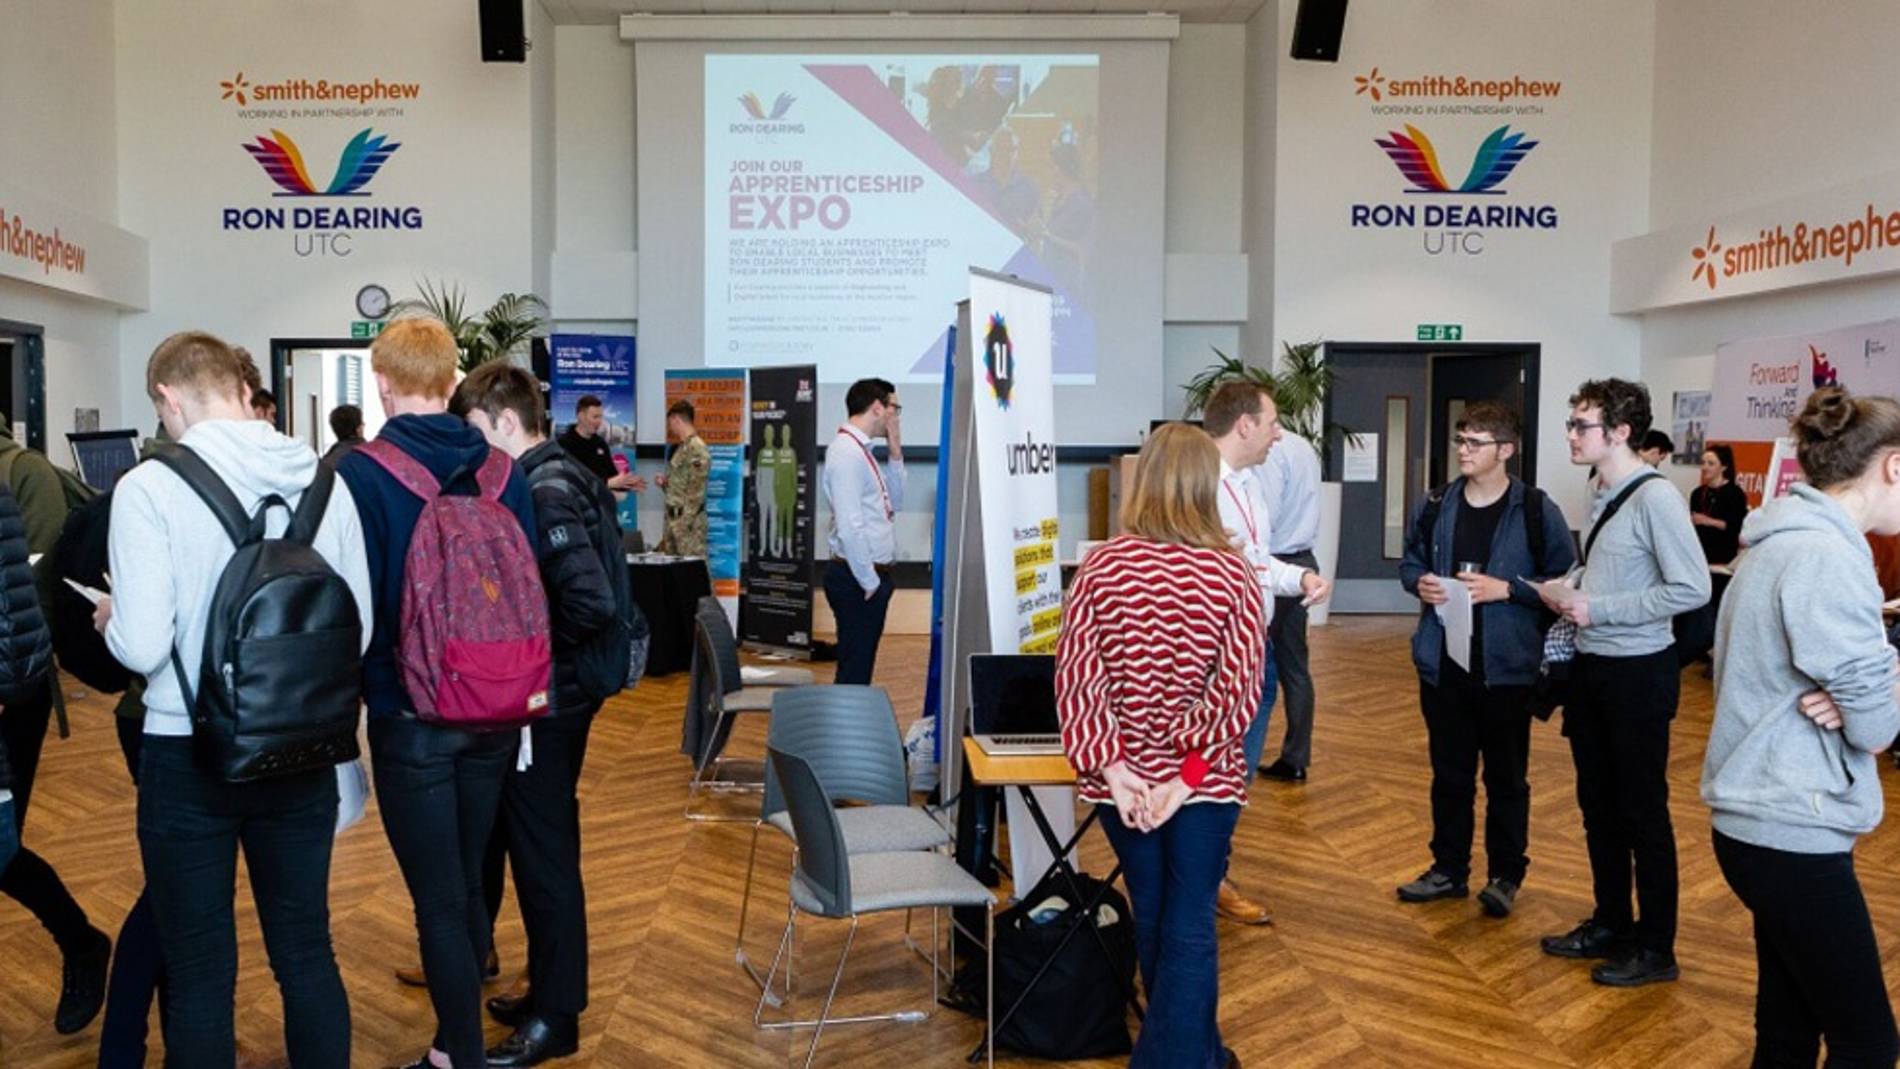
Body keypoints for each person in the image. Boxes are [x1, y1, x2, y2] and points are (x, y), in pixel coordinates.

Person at [99, 330, 372, 1067]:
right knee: (307, 951)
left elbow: (144, 645)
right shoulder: (324, 480)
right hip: (305, 749)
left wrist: (112, 619)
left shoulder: (148, 488)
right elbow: (362, 627)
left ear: (168, 396)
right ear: (240, 388)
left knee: (200, 973)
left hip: (186, 753)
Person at [334, 319, 540, 1069]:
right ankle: (459, 1040)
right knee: (465, 876)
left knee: (438, 899)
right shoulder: (502, 471)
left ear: (382, 382)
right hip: (494, 708)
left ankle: (458, 1054)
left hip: (408, 712)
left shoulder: (361, 474)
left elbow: (349, 607)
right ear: (453, 382)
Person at [1702, 386, 1900, 1066]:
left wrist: (1861, 690)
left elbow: (1863, 699)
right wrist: (1865, 696)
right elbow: (1879, 726)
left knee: (1788, 1031)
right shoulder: (1826, 557)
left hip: (1764, 817)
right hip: (1790, 825)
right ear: (1893, 467)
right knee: (1868, 1042)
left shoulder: (1782, 539)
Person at [1057, 422, 1264, 1069]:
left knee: (1155, 915)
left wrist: (1116, 770)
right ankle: (1187, 1059)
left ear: (1144, 478)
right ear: (1206, 485)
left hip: (1129, 785)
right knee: (1191, 921)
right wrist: (1186, 775)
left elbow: (1076, 674)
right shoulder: (1234, 576)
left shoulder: (1100, 567)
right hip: (1201, 782)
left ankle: (1197, 1055)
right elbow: (1237, 691)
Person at [452, 364, 620, 1068]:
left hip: (551, 705)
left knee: (546, 859)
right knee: (536, 850)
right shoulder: (558, 473)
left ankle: (558, 1017)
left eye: (476, 433)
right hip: (556, 700)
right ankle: (548, 990)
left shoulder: (544, 486)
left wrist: (527, 647)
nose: (473, 448)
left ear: (503, 421)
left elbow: (591, 602)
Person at [1535, 378, 1709, 987]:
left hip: (1638, 672)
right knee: (1596, 806)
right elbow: (1613, 566)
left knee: (1642, 812)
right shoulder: (1600, 488)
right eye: (1572, 423)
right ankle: (1611, 920)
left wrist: (1597, 609)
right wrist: (1571, 584)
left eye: (1581, 426)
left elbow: (1693, 588)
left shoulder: (1656, 498)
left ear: (1621, 432)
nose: (1571, 436)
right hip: (1593, 666)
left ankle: (1656, 947)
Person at [1397, 402, 1576, 917]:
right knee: (1448, 775)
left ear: (1506, 450)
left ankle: (1505, 874)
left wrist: (1509, 589)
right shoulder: (1434, 504)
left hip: (1508, 670)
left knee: (1506, 778)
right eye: (1460, 441)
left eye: (1475, 443)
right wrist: (1420, 583)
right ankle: (1448, 869)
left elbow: (1565, 585)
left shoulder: (1538, 512)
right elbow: (1410, 561)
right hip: (1444, 664)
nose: (1463, 451)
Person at [1202, 381, 1329, 926]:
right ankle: (1204, 879)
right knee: (1212, 775)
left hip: (1255, 653)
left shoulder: (1250, 483)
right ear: (1245, 425)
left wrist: (1297, 575)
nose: (1281, 433)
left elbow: (1254, 559)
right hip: (1215, 661)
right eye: (1273, 422)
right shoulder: (1197, 484)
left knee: (1238, 775)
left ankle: (1213, 874)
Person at [0, 475, 108, 1037]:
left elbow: (15, 635)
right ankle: (82, 942)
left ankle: (82, 943)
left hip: (12, 694)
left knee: (0, 847)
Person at [822, 378, 904, 686]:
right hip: (857, 579)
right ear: (877, 407)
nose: (896, 416)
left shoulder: (862, 451)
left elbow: (895, 502)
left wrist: (895, 451)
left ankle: (847, 729)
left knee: (860, 667)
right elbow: (850, 527)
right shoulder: (846, 453)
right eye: (895, 408)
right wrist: (869, 581)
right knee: (854, 672)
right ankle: (845, 732)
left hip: (868, 577)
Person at [1257, 414, 1324, 783]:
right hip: (1304, 560)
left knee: (1259, 669)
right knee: (1296, 667)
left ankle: (1245, 757)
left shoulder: (1271, 452)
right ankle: (1296, 757)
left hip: (1276, 566)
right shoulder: (1303, 446)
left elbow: (1264, 513)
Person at [557, 395, 642, 493]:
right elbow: (570, 481)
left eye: (601, 417)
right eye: (595, 417)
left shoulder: (600, 444)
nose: (599, 421)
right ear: (580, 416)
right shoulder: (563, 444)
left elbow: (612, 476)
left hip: (599, 505)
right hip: (573, 505)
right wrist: (607, 483)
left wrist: (627, 484)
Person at [657, 400, 710, 557]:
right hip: (674, 520)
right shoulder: (681, 448)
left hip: (688, 525)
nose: (670, 428)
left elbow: (696, 492)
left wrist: (682, 524)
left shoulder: (697, 449)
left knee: (693, 572)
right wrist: (665, 483)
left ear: (676, 420)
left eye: (670, 423)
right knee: (674, 574)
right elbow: (680, 488)